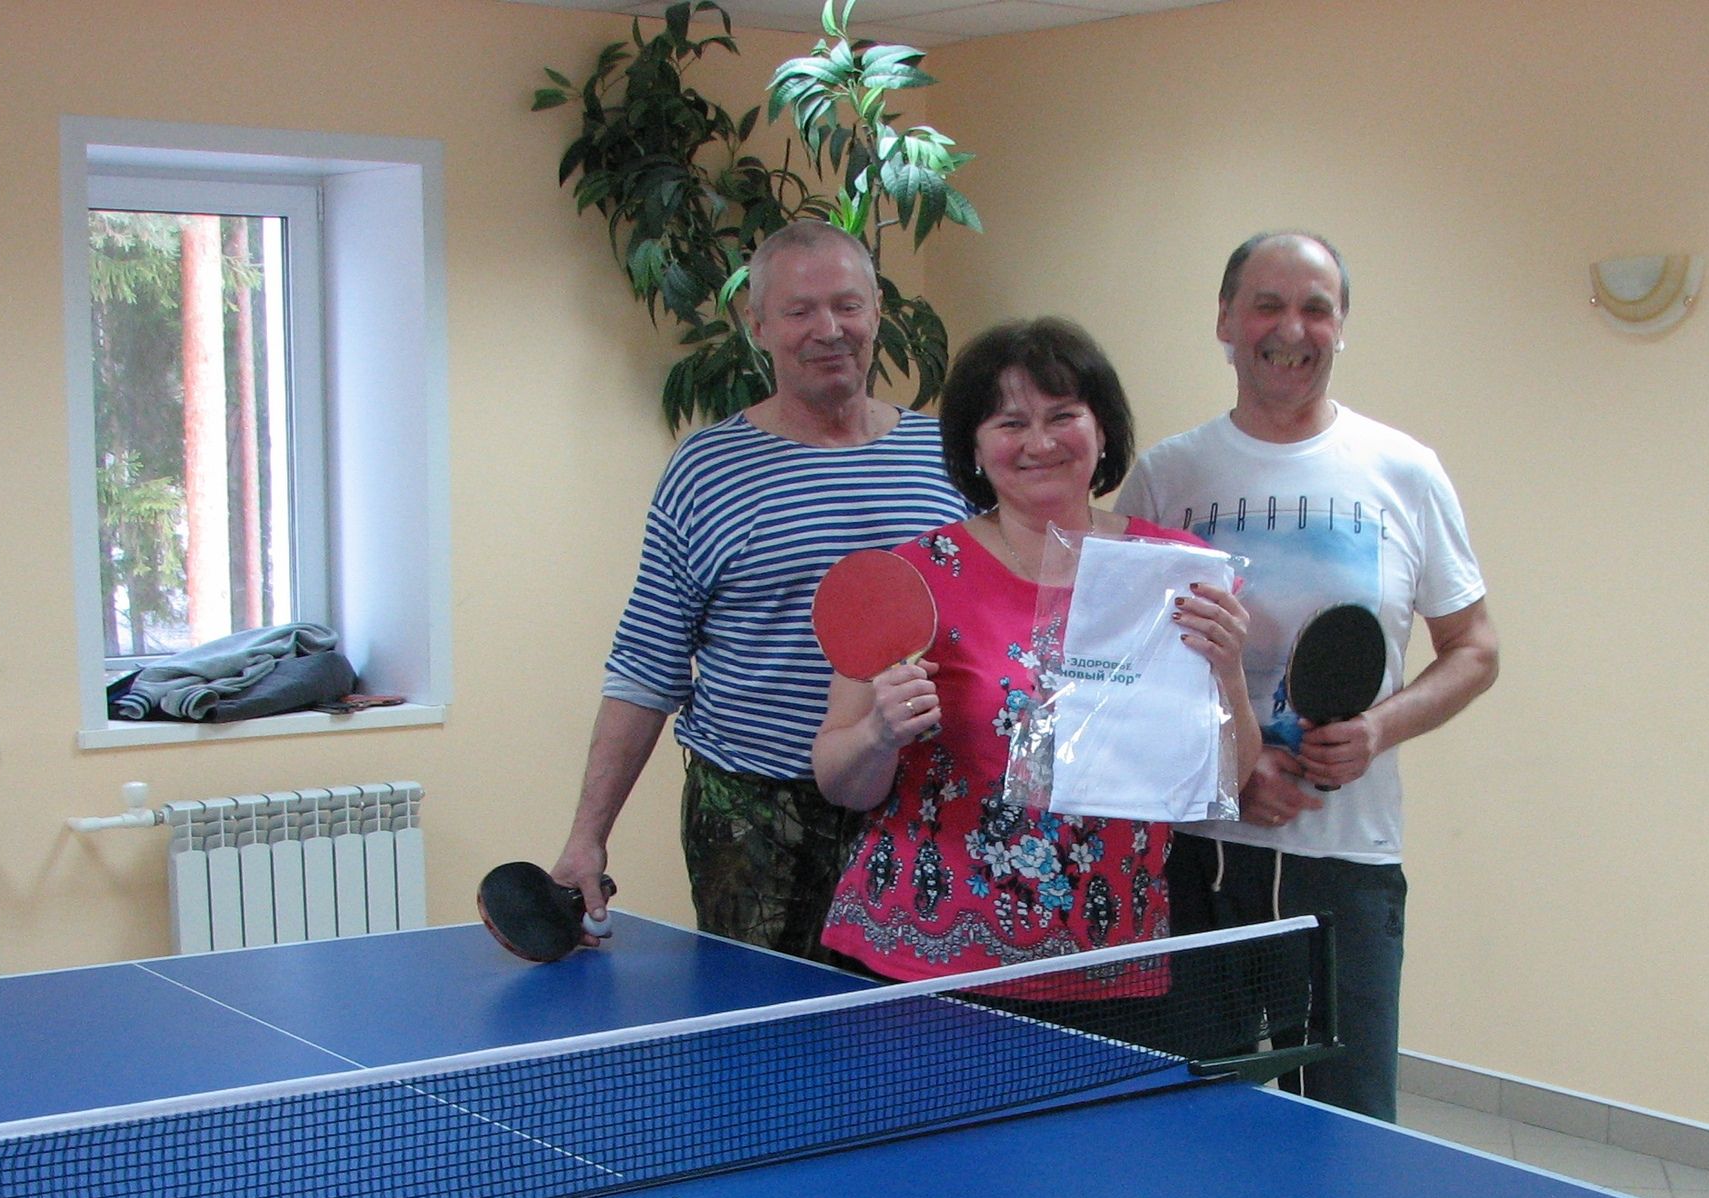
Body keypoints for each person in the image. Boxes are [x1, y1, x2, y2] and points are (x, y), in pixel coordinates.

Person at [1117, 231, 1500, 1120]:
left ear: (1341, 326)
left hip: (1348, 867)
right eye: (1268, 305)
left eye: (1315, 309)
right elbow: (1124, 673)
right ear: (1225, 320)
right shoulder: (1168, 477)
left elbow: (1475, 648)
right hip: (1199, 859)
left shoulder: (1404, 472)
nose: (1292, 329)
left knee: (1348, 1132)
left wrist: (1378, 729)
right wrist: (1230, 769)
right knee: (1192, 1127)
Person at [550, 222, 966, 958]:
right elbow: (647, 665)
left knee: (907, 1026)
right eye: (800, 311)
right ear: (759, 325)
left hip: (919, 801)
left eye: (847, 305)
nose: (828, 330)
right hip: (754, 818)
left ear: (877, 311)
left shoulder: (948, 457)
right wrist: (588, 837)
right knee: (762, 1023)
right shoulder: (706, 470)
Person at [812, 317, 1254, 985]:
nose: (1040, 442)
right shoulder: (912, 578)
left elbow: (1226, 782)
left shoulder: (1179, 574)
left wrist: (1230, 671)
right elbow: (839, 781)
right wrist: (879, 733)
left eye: (1062, 415)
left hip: (1110, 957)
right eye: (1010, 423)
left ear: (1102, 430)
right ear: (974, 446)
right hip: (925, 959)